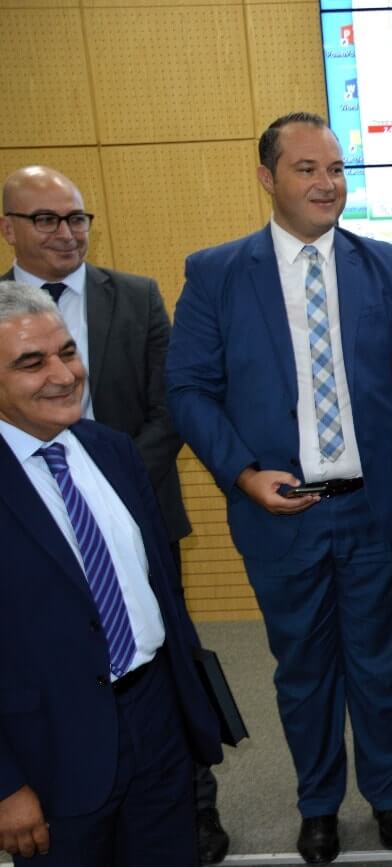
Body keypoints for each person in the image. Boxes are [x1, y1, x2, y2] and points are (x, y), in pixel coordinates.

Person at [166, 112, 392, 864]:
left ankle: (387, 792)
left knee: (381, 666)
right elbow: (188, 388)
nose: (327, 184)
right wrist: (242, 473)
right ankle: (318, 803)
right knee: (303, 670)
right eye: (307, 169)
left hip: (379, 512)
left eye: (337, 169)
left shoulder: (386, 267)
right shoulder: (216, 273)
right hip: (279, 514)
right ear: (267, 178)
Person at [0, 166, 226, 863]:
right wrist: (5, 785)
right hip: (56, 752)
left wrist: (188, 716)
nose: (63, 375)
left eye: (67, 352)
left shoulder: (112, 451)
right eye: (31, 363)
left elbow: (159, 594)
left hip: (157, 728)